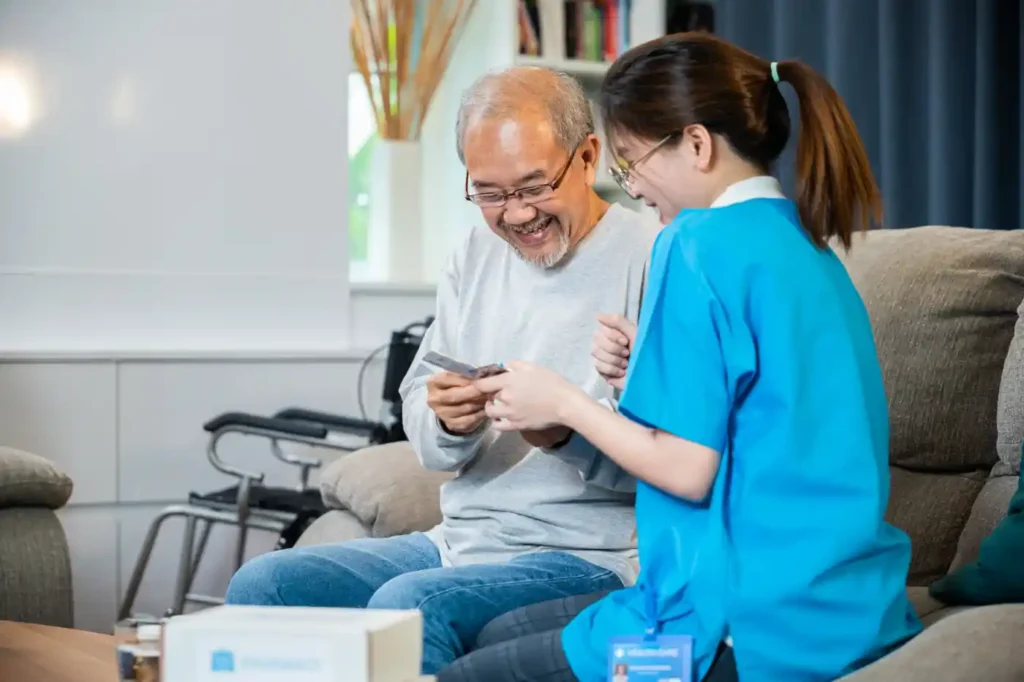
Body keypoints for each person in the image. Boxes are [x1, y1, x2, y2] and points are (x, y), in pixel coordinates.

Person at [440, 32, 922, 682]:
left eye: (633, 163)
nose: (633, 189)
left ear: (696, 145)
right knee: (499, 631)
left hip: (726, 633)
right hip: (847, 614)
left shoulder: (694, 243)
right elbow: (768, 406)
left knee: (466, 673)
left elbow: (688, 471)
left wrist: (566, 404)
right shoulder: (809, 247)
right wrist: (643, 369)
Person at [224, 66, 659, 675]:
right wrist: (448, 421)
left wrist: (564, 432)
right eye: (489, 193)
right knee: (265, 585)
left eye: (534, 186)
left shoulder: (653, 257)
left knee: (409, 606)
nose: (515, 215)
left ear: (587, 157)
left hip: (591, 554)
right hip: (459, 542)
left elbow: (672, 457)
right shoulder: (475, 255)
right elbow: (425, 427)